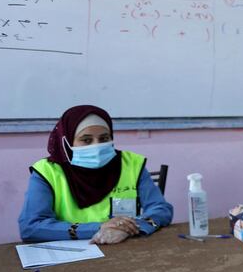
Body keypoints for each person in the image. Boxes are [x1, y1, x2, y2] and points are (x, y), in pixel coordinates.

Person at [19, 105, 173, 244]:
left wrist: (126, 228)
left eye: (104, 138)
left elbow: (160, 209)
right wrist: (99, 228)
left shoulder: (131, 163)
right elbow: (31, 227)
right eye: (86, 140)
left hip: (122, 247)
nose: (97, 145)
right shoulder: (47, 172)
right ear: (67, 143)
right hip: (71, 259)